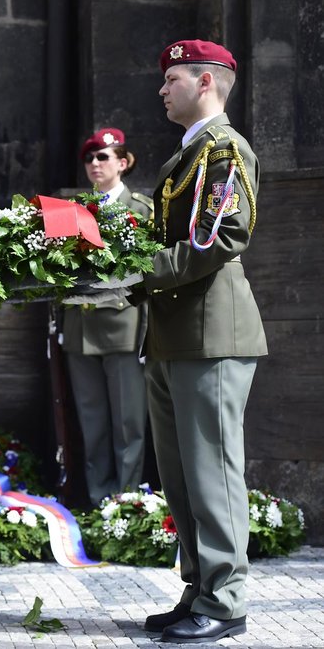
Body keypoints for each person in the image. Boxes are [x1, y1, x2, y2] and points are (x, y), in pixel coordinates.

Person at [123, 40, 265, 643]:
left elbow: (219, 238)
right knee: (181, 474)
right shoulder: (185, 156)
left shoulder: (225, 150)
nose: (161, 89)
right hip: (174, 332)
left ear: (205, 81)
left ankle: (226, 599)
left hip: (211, 332)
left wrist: (139, 270)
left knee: (213, 471)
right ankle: (201, 587)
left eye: (171, 79)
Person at [61, 128, 151, 506]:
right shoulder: (70, 211)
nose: (95, 164)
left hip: (123, 327)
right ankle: (101, 504)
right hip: (81, 327)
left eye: (104, 156)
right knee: (92, 424)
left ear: (123, 162)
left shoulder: (140, 208)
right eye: (90, 158)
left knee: (128, 424)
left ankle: (126, 504)